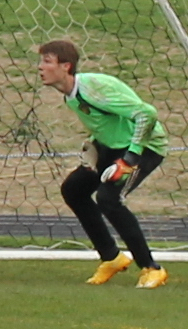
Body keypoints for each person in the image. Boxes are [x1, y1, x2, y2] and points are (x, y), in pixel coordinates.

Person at [38, 39, 170, 289]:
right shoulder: (70, 95)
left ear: (66, 66)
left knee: (109, 199)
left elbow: (147, 114)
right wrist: (93, 145)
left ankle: (151, 268)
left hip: (144, 148)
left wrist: (130, 159)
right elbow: (108, 123)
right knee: (74, 190)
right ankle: (111, 257)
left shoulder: (93, 89)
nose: (40, 67)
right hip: (113, 147)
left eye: (46, 61)